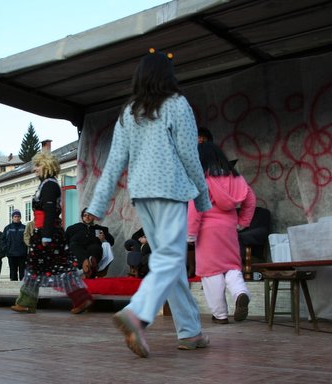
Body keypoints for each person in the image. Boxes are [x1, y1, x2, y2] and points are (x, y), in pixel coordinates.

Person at [86, 50, 212, 358]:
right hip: (170, 189)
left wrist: (96, 205)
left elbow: (114, 162)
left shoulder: (129, 113)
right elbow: (189, 155)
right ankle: (138, 313)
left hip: (142, 193)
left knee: (171, 262)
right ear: (168, 76)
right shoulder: (177, 104)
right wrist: (202, 196)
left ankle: (190, 332)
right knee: (170, 258)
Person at [11, 152, 93, 315]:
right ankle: (27, 302)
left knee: (56, 267)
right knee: (39, 267)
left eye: (38, 165)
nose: (34, 169)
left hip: (48, 233)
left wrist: (46, 236)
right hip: (45, 232)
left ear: (47, 166)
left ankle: (81, 299)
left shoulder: (49, 185)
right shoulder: (47, 184)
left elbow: (49, 211)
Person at [187, 141, 256, 324]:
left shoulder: (202, 179)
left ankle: (220, 315)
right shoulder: (236, 178)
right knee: (232, 267)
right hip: (229, 229)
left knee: (211, 272)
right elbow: (250, 199)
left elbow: (196, 208)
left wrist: (191, 234)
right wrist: (242, 223)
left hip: (207, 232)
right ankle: (240, 292)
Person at [65, 208, 115, 278]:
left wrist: (104, 239)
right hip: (78, 249)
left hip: (93, 249)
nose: (87, 217)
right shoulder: (73, 228)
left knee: (95, 247)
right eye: (85, 215)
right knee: (73, 245)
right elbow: (65, 240)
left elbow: (111, 242)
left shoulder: (100, 229)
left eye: (90, 215)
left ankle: (91, 264)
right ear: (82, 217)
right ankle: (86, 263)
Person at [1, 210, 28, 280]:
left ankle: (23, 286)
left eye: (18, 216)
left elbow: (28, 239)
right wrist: (6, 250)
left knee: (23, 273)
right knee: (13, 273)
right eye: (15, 216)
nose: (17, 218)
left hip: (22, 254)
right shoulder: (7, 228)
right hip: (11, 254)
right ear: (12, 217)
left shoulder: (24, 228)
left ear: (20, 217)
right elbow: (3, 240)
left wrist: (26, 249)